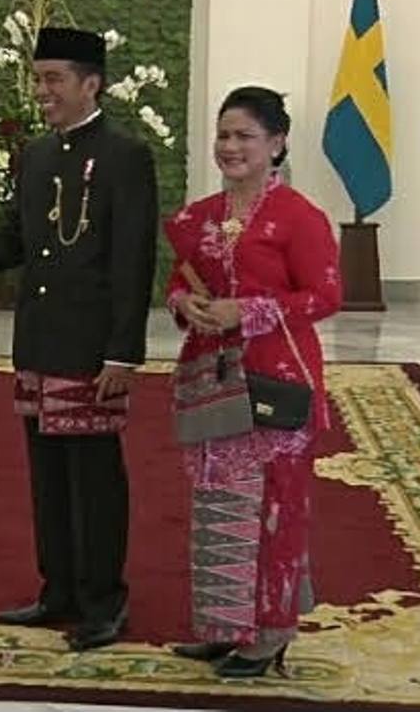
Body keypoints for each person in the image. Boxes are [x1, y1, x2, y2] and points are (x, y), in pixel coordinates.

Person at [0, 27, 159, 651]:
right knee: (47, 475)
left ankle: (105, 601)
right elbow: (13, 242)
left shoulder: (125, 156)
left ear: (92, 83)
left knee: (96, 479)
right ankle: (58, 591)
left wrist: (123, 352)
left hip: (92, 349)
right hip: (38, 342)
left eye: (54, 79)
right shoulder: (35, 155)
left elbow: (134, 261)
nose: (42, 91)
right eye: (38, 79)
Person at [165, 86, 341, 677]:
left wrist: (251, 311)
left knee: (275, 509)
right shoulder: (197, 218)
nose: (231, 147)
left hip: (279, 383)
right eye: (224, 135)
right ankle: (224, 626)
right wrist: (185, 304)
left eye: (245, 136)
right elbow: (178, 283)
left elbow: (326, 295)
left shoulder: (300, 217)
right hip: (212, 382)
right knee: (218, 503)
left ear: (277, 143)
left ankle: (271, 633)